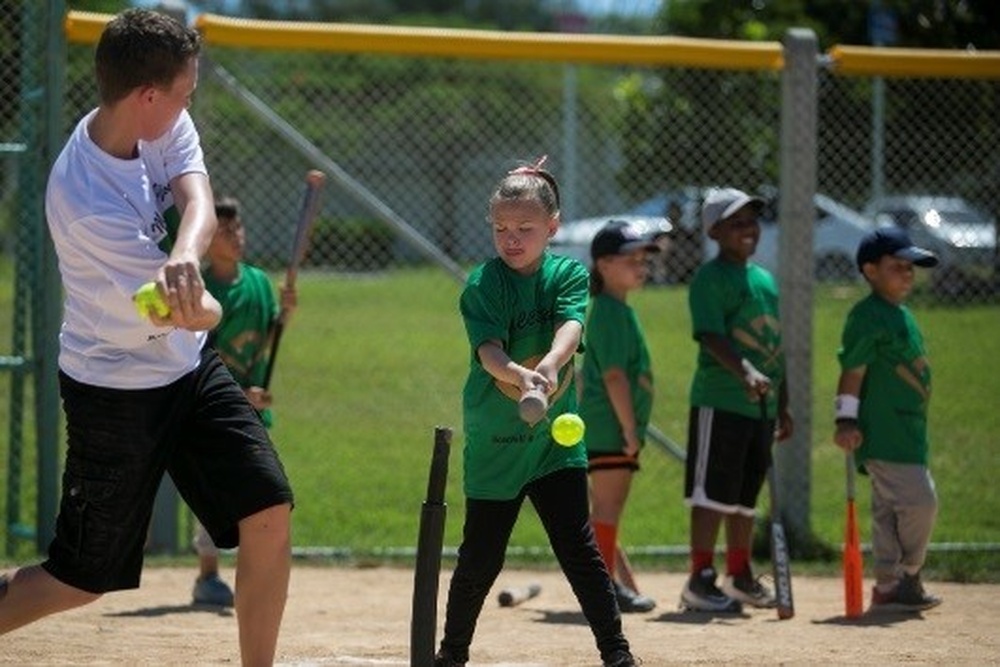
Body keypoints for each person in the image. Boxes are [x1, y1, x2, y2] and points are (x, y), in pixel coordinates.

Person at [0, 10, 294, 664]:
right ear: (147, 96)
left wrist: (186, 256)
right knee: (80, 578)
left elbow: (197, 198)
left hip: (185, 370)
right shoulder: (85, 204)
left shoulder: (155, 119)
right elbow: (195, 313)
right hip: (114, 389)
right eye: (184, 94)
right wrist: (199, 293)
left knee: (268, 511)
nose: (190, 103)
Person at [434, 157, 635, 667]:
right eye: (501, 228)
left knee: (579, 550)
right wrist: (521, 377)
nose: (512, 239)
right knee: (481, 559)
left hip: (553, 443)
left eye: (526, 228)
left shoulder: (568, 273)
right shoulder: (484, 284)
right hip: (497, 439)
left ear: (553, 227)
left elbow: (570, 326)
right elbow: (489, 353)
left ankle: (617, 653)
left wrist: (547, 364)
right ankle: (452, 655)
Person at [679, 188, 793, 613]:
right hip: (721, 400)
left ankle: (740, 575)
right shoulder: (710, 279)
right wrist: (745, 371)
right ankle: (700, 577)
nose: (748, 230)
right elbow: (711, 335)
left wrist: (784, 403)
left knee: (746, 497)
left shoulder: (764, 280)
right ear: (715, 231)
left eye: (752, 221)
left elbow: (777, 348)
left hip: (760, 407)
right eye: (736, 222)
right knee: (713, 494)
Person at [190, 196, 298, 607]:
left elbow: (269, 338)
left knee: (259, 490)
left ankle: (250, 574)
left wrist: (285, 315)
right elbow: (201, 355)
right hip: (210, 405)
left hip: (252, 406)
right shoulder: (202, 288)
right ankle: (207, 576)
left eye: (238, 229)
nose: (235, 237)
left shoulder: (257, 282)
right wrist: (240, 395)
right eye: (224, 231)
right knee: (215, 491)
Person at [833, 226, 942, 612]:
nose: (908, 274)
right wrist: (845, 420)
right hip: (883, 433)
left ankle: (889, 584)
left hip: (910, 432)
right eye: (898, 266)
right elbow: (853, 372)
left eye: (911, 268)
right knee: (920, 502)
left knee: (888, 511)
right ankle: (907, 573)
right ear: (870, 270)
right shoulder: (867, 316)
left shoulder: (902, 314)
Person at [579, 220, 661, 614]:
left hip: (608, 427)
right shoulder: (610, 312)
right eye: (631, 258)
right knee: (608, 510)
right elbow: (614, 377)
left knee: (605, 512)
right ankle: (604, 589)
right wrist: (629, 428)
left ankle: (613, 583)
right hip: (610, 428)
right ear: (604, 265)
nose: (641, 265)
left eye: (644, 258)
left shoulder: (617, 310)